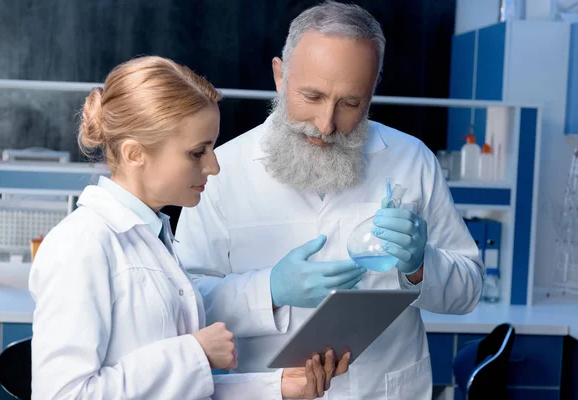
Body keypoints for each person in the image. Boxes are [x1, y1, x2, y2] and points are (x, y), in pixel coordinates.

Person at [175, 2, 485, 399]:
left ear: (371, 93)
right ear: (279, 76)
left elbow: (468, 291)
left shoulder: (411, 160)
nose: (326, 123)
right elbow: (186, 304)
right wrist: (269, 289)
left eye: (350, 103)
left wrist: (421, 266)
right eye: (312, 96)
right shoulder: (221, 172)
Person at [29, 56, 350, 400]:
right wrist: (195, 353)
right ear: (135, 153)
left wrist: (278, 387)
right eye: (198, 152)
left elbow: (180, 389)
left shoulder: (154, 238)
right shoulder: (81, 244)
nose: (213, 166)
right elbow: (63, 395)